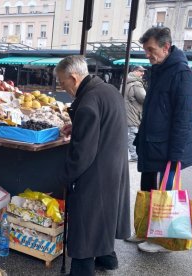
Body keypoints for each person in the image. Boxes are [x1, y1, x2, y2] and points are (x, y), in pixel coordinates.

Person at [54, 56, 130, 275]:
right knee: (104, 214)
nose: (62, 87)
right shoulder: (107, 90)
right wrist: (76, 126)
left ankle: (82, 271)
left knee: (86, 219)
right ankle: (107, 258)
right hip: (113, 164)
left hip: (96, 170)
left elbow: (82, 154)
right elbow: (103, 125)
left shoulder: (87, 102)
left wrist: (64, 178)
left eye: (62, 82)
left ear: (74, 78)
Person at [131, 27, 192, 252]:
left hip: (166, 149)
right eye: (145, 50)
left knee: (164, 195)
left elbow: (183, 118)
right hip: (151, 144)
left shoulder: (180, 73)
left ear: (166, 47)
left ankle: (161, 240)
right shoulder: (159, 69)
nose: (147, 54)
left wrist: (176, 155)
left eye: (151, 49)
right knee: (148, 189)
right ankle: (145, 231)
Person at [124, 66, 147, 162]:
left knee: (128, 133)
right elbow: (143, 98)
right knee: (133, 133)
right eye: (141, 71)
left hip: (126, 110)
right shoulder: (136, 83)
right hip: (133, 112)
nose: (143, 74)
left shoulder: (125, 80)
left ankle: (129, 154)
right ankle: (134, 155)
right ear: (135, 71)